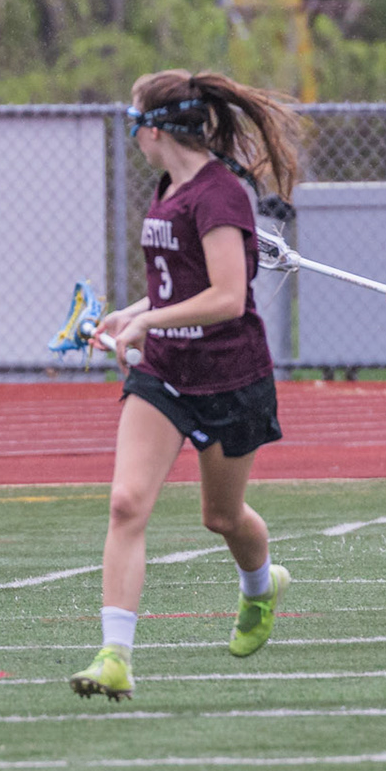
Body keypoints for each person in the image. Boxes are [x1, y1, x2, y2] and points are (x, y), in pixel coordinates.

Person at [69, 70, 302, 701]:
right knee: (126, 503)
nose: (132, 135)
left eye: (133, 121)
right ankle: (115, 656)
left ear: (155, 129)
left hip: (230, 375)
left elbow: (227, 297)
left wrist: (147, 321)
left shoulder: (219, 194)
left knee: (221, 516)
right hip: (165, 373)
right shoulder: (166, 187)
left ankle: (260, 588)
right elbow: (180, 285)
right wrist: (132, 313)